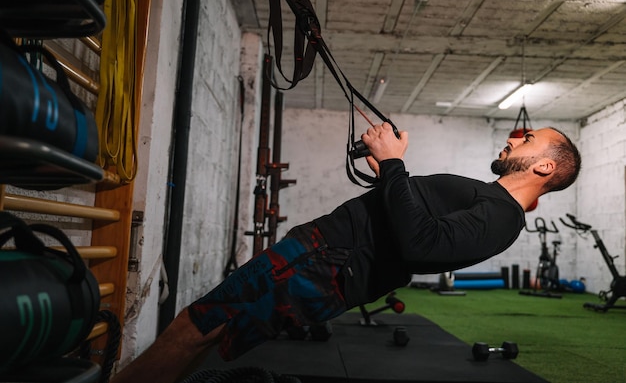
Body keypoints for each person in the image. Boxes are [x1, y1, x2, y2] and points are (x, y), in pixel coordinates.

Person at [111, 123, 581, 383]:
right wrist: (389, 172)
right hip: (328, 255)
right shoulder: (490, 200)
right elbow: (415, 222)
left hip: (328, 259)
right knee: (206, 332)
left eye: (528, 139)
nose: (515, 136)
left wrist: (395, 163)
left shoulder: (501, 217)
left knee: (193, 326)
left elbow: (421, 245)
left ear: (543, 165)